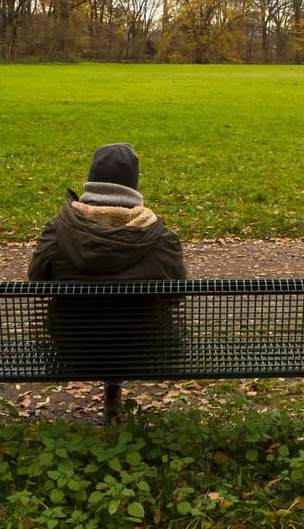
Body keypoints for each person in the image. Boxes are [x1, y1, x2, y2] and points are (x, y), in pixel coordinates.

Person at [27, 143, 186, 421]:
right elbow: (177, 294)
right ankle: (115, 387)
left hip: (74, 347)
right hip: (144, 348)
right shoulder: (161, 237)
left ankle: (111, 387)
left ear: (92, 180)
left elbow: (37, 280)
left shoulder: (58, 229)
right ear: (133, 184)